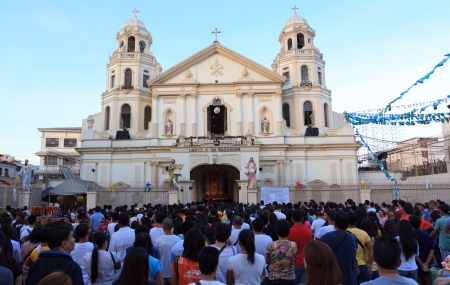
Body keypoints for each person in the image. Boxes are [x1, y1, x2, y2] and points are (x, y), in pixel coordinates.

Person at [321, 211, 358, 285]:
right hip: (350, 278)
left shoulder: (326, 237)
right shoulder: (353, 237)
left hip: (332, 278)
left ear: (334, 222)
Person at [265, 220, 297, 285]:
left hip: (274, 277)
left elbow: (267, 261)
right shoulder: (293, 245)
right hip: (289, 277)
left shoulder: (271, 245)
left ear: (276, 232)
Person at [347, 213, 373, 284]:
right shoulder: (363, 233)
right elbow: (371, 248)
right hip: (362, 265)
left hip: (348, 266)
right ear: (356, 222)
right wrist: (369, 263)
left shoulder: (342, 234)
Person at [287, 210, 312, 284]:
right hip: (305, 262)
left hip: (292, 263)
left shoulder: (288, 232)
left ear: (292, 219)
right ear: (302, 219)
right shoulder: (309, 232)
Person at [108, 213, 135, 278]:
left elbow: (111, 252)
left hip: (119, 267)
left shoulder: (115, 235)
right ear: (128, 222)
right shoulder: (134, 232)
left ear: (118, 222)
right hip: (132, 265)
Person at [410, 215, 434, 285]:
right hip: (426, 268)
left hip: (415, 267)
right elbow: (432, 250)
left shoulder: (410, 236)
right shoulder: (426, 236)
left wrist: (421, 264)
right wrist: (426, 263)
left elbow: (414, 253)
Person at [156, 218, 181, 285]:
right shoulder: (178, 240)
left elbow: (157, 256)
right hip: (174, 273)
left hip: (161, 272)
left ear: (163, 227)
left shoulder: (158, 240)